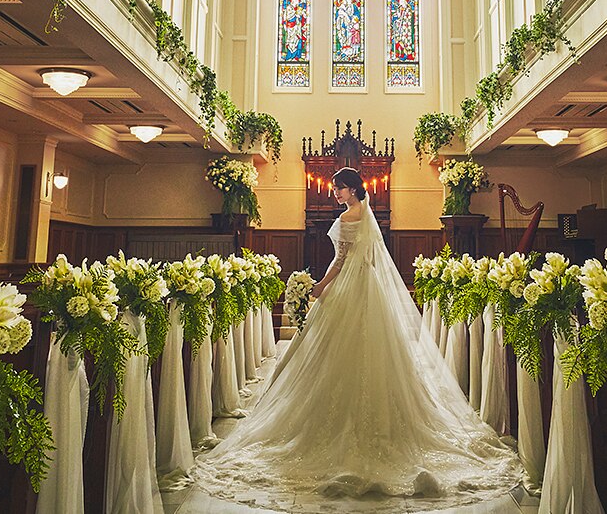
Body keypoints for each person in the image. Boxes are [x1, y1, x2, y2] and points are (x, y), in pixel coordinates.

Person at [190, 167, 525, 511]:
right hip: (370, 284)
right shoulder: (366, 212)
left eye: (339, 188)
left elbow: (339, 260)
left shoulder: (350, 214)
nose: (334, 193)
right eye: (335, 188)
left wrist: (319, 286)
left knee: (335, 348)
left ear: (351, 189)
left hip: (350, 284)